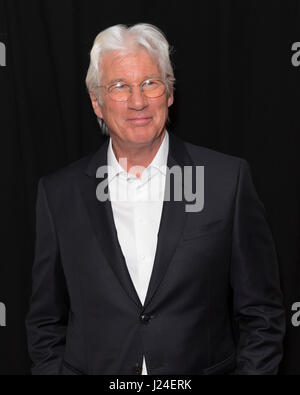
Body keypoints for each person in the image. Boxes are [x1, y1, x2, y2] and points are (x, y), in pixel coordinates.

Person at [25, 23, 285, 375]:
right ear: (96, 103)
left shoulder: (227, 181)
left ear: (170, 92)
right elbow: (45, 322)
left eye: (150, 83)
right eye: (120, 86)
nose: (138, 101)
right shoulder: (58, 195)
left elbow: (262, 315)